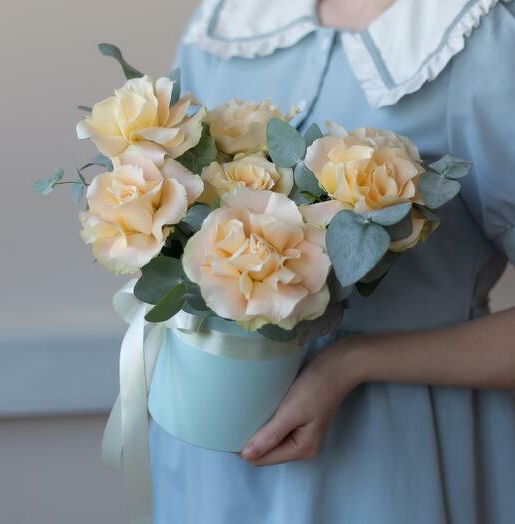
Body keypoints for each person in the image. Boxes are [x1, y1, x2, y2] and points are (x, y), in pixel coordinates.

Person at [149, 0, 515, 522]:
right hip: (208, 443)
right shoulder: (228, 22)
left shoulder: (483, 41)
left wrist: (353, 363)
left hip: (388, 457)